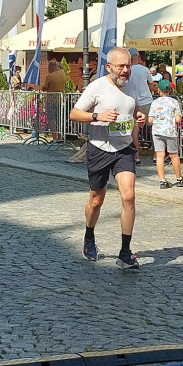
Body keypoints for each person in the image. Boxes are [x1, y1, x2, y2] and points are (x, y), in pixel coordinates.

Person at [69, 46, 146, 269]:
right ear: (109, 67)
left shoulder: (132, 85)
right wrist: (97, 116)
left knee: (129, 196)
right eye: (121, 66)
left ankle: (125, 252)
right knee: (97, 198)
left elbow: (133, 109)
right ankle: (89, 236)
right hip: (99, 148)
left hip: (124, 148)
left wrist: (139, 116)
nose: (125, 71)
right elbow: (75, 113)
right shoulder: (96, 87)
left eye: (128, 66)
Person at [148, 79, 183, 188]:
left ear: (158, 90)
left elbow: (150, 120)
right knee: (174, 155)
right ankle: (179, 179)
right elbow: (178, 119)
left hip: (157, 131)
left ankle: (162, 181)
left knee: (159, 156)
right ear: (170, 90)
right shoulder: (174, 102)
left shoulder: (155, 102)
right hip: (170, 131)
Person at [126, 49, 155, 164]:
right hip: (147, 101)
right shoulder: (145, 69)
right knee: (153, 129)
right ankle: (156, 156)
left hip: (134, 103)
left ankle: (137, 157)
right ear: (138, 56)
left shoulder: (128, 70)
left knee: (135, 132)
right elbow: (152, 84)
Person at [42, 59, 68, 141]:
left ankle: (54, 138)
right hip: (61, 100)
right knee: (59, 119)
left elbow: (44, 88)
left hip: (52, 100)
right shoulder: (63, 74)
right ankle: (60, 137)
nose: (48, 70)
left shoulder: (50, 76)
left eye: (48, 68)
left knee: (52, 119)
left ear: (51, 67)